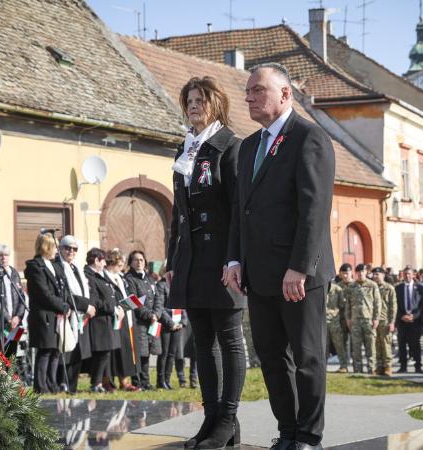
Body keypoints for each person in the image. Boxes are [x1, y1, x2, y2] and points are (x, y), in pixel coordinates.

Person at [224, 62, 335, 450]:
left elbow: (314, 211)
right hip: (260, 274)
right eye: (248, 91)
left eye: (258, 90)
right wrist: (234, 260)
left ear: (284, 94)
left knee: (307, 358)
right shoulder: (251, 145)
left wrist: (299, 267)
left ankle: (309, 436)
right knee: (271, 358)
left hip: (299, 276)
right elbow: (242, 209)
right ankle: (287, 431)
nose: (249, 96)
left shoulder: (309, 138)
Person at [164, 76, 245, 449]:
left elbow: (237, 210)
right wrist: (171, 257)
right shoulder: (185, 149)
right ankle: (212, 419)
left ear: (215, 103)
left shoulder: (229, 146)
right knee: (202, 343)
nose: (193, 105)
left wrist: (235, 259)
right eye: (189, 100)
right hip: (191, 259)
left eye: (200, 100)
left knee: (229, 340)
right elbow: (177, 211)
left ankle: (227, 418)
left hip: (223, 259)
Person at [23, 233, 70, 394]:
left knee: (55, 350)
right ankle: (40, 386)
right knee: (45, 350)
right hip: (43, 316)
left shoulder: (55, 265)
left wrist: (66, 304)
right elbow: (44, 293)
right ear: (46, 247)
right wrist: (62, 306)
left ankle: (52, 384)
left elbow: (61, 289)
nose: (57, 250)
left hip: (56, 315)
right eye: (54, 246)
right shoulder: (35, 266)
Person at [56, 235, 96, 394]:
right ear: (60, 249)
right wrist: (86, 306)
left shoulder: (77, 268)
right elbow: (65, 293)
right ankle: (63, 384)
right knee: (67, 353)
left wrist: (90, 305)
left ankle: (73, 386)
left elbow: (88, 289)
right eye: (67, 248)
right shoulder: (59, 267)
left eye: (74, 249)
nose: (70, 251)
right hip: (69, 315)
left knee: (78, 354)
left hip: (81, 317)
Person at [124, 250, 164, 391]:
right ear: (131, 262)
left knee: (148, 352)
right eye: (136, 260)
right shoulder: (129, 278)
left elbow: (159, 297)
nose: (139, 262)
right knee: (140, 352)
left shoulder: (149, 278)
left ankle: (146, 382)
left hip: (152, 321)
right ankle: (137, 381)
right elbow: (133, 300)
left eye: (141, 260)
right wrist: (149, 315)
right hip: (138, 321)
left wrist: (156, 314)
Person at [83, 248, 120, 393]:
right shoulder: (89, 275)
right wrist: (111, 308)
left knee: (105, 354)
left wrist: (116, 307)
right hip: (99, 320)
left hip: (106, 320)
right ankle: (96, 383)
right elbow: (95, 300)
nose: (105, 263)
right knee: (101, 354)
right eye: (103, 260)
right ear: (96, 260)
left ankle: (99, 382)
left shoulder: (99, 275)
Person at [103, 250, 137, 392]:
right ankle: (107, 381)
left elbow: (125, 295)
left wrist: (132, 302)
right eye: (120, 264)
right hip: (112, 318)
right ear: (113, 262)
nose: (122, 267)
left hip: (124, 318)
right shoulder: (105, 276)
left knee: (124, 352)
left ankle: (125, 381)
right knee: (111, 354)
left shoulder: (121, 277)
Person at [0, 244, 26, 356]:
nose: (3, 258)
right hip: (0, 322)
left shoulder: (14, 272)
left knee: (12, 353)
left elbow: (21, 296)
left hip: (15, 323)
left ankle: (11, 374)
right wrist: (7, 318)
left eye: (6, 255)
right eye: (0, 255)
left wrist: (18, 316)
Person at [344, 263, 380, 374]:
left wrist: (376, 318)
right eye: (358, 272)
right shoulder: (351, 286)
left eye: (362, 271)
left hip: (369, 320)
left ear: (366, 272)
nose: (360, 274)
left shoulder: (372, 285)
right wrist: (348, 318)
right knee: (356, 348)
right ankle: (357, 370)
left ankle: (371, 369)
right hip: (355, 321)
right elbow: (348, 304)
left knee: (370, 347)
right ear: (356, 273)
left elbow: (377, 303)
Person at [395, 267, 423, 373]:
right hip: (402, 321)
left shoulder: (419, 287)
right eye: (405, 274)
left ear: (413, 275)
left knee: (415, 344)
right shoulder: (398, 288)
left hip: (415, 321)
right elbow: (395, 305)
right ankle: (403, 366)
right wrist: (401, 316)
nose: (407, 276)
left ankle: (418, 366)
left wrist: (414, 316)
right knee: (402, 344)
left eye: (409, 274)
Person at [372, 267, 396, 376]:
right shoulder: (372, 287)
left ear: (383, 275)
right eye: (374, 274)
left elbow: (393, 306)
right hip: (373, 320)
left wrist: (392, 322)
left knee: (386, 345)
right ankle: (379, 367)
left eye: (378, 274)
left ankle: (388, 367)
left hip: (385, 320)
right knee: (376, 346)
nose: (376, 276)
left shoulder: (389, 288)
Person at [326, 275, 349, 373]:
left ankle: (343, 366)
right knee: (323, 346)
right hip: (322, 322)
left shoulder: (337, 289)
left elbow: (343, 305)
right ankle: (323, 366)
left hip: (335, 321)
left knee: (339, 345)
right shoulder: (319, 288)